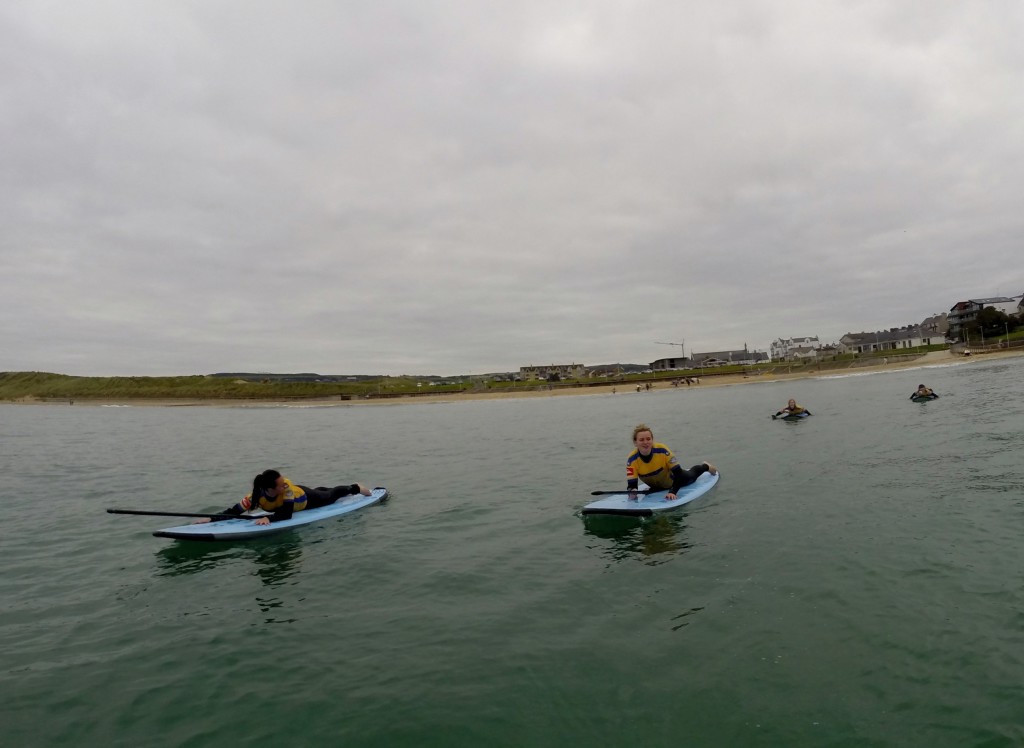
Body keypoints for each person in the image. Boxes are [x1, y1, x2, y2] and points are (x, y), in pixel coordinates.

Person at [196, 469, 371, 525]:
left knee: (330, 495)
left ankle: (354, 487)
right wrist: (212, 519)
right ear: (270, 488)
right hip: (299, 495)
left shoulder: (286, 489)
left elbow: (287, 514)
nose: (285, 484)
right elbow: (234, 511)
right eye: (280, 484)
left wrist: (268, 518)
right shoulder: (255, 496)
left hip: (306, 499)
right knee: (323, 490)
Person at [626, 424, 717, 501]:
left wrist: (673, 492)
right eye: (641, 440)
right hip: (656, 486)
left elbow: (679, 474)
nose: (645, 442)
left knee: (692, 475)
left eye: (648, 439)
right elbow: (632, 484)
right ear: (635, 442)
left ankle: (706, 466)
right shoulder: (631, 460)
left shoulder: (662, 450)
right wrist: (633, 492)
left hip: (676, 481)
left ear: (652, 440)